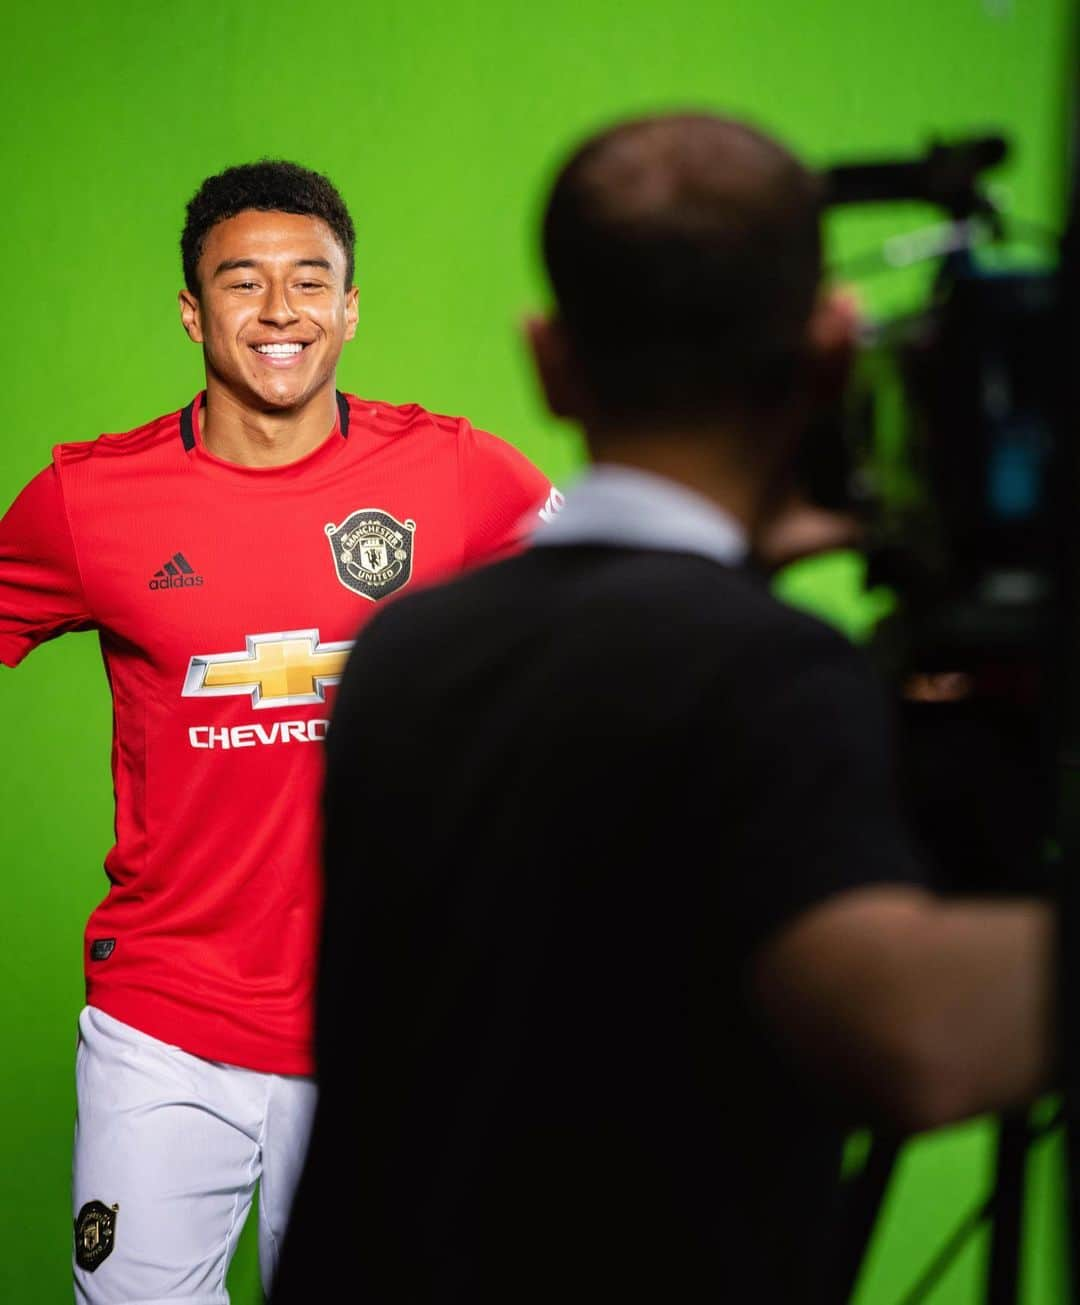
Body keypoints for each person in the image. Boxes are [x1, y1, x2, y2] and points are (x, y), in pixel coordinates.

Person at [271, 116, 1057, 1304]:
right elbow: (908, 1037)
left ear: (549, 361)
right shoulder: (768, 673)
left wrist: (742, 567)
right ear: (831, 351)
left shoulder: (405, 655)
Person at [0, 158, 558, 1303]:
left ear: (351, 307)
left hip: (387, 1020)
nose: (279, 311)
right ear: (193, 311)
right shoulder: (85, 503)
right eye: (242, 282)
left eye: (310, 281)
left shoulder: (452, 472)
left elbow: (619, 616)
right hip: (165, 1016)